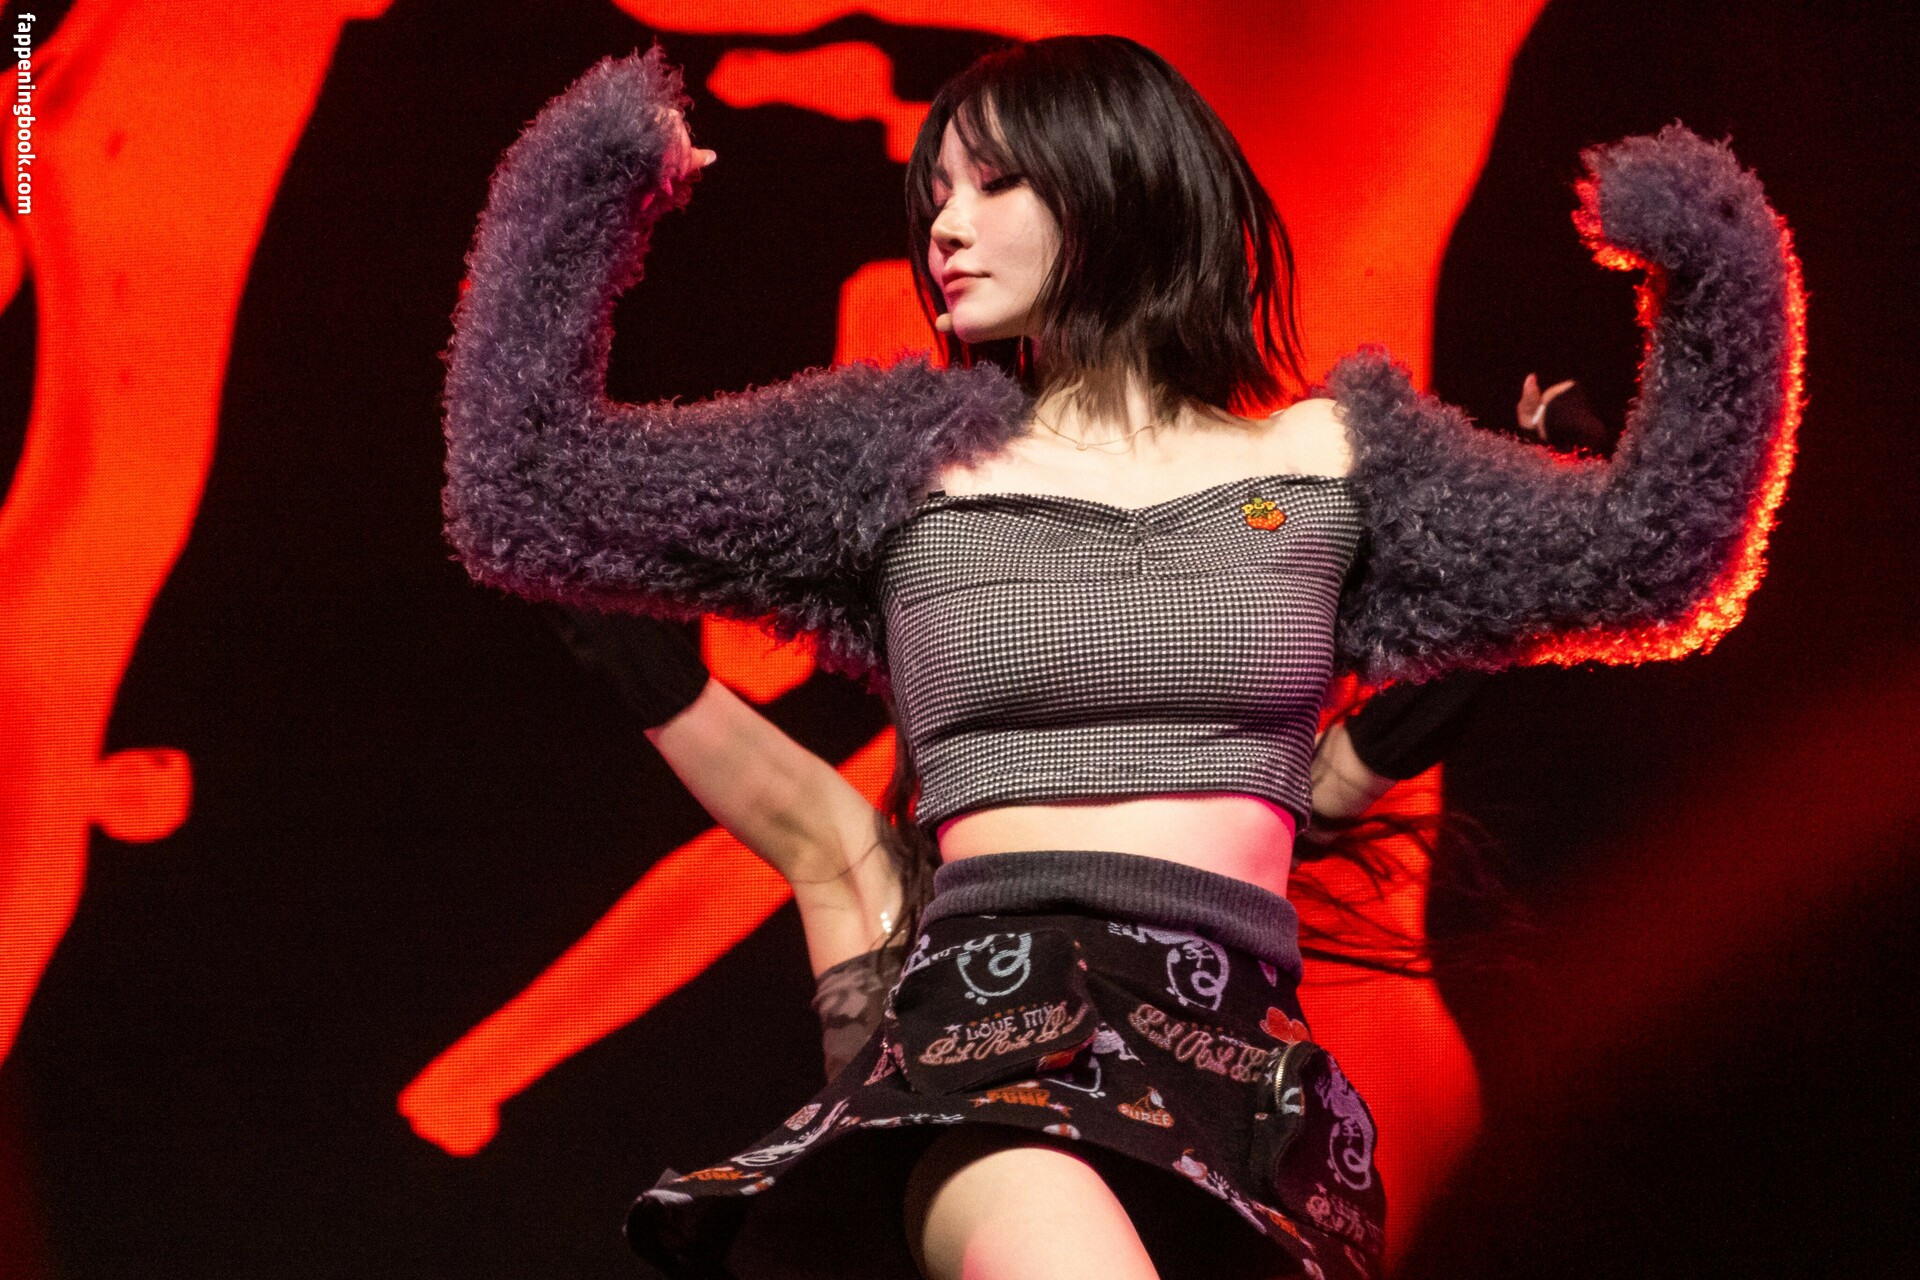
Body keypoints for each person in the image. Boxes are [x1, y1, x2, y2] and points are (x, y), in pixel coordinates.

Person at [439, 33, 1801, 1280]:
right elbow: (522, 490)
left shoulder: (1336, 464)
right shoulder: (893, 464)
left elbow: (1660, 558)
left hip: (1252, 1100)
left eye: (992, 186)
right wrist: (591, 177)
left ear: (1118, 187)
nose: (944, 227)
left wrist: (1709, 257)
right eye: (934, 197)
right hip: (993, 1051)